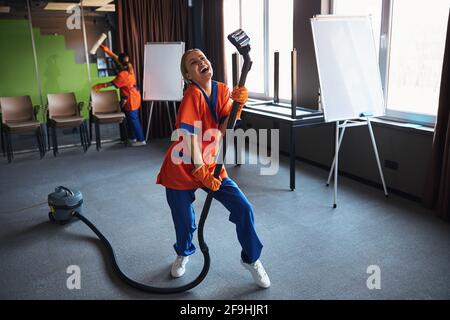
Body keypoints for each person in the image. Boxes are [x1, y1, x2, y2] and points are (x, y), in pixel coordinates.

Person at [156, 49, 270, 288]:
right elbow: (188, 136)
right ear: (188, 74)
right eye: (193, 62)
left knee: (243, 208)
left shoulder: (222, 90)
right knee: (184, 220)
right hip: (181, 167)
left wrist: (238, 104)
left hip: (210, 165)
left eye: (203, 58)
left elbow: (226, 127)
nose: (201, 62)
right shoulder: (192, 95)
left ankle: (252, 258)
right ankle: (184, 252)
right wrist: (199, 172)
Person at [92, 45, 146, 147]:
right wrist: (108, 51)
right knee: (131, 118)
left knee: (134, 119)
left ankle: (141, 139)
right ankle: (133, 137)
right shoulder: (128, 66)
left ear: (120, 63)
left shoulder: (123, 75)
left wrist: (100, 85)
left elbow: (112, 84)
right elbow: (116, 58)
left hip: (131, 99)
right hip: (133, 96)